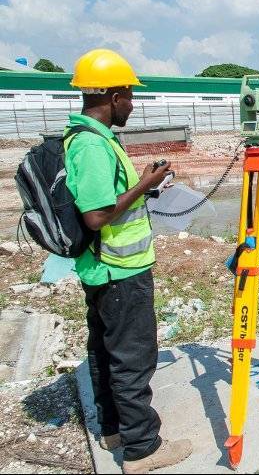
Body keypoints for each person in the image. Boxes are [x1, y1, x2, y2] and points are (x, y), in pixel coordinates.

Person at [64, 49, 192, 473]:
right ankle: (142, 449)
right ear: (115, 96)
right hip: (120, 273)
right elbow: (98, 215)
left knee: (104, 350)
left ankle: (114, 428)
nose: (133, 104)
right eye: (130, 96)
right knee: (132, 358)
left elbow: (106, 202)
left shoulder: (91, 140)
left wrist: (145, 189)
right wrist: (145, 182)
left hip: (103, 269)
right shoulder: (92, 146)